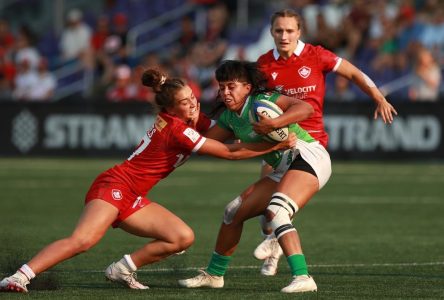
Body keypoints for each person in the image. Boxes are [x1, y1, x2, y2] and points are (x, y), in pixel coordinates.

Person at [0, 69, 295, 293]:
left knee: (181, 237)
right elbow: (228, 152)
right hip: (115, 185)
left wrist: (263, 121)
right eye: (185, 102)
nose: (193, 105)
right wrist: (274, 145)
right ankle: (20, 276)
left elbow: (230, 129)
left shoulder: (193, 121)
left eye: (193, 98)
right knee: (84, 240)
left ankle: (122, 269)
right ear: (170, 109)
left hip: (134, 194)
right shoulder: (177, 129)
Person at [252, 8, 398, 277]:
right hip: (278, 142)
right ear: (272, 33)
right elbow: (253, 104)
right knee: (265, 217)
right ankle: (272, 244)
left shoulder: (316, 55)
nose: (284, 36)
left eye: (289, 31)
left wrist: (378, 96)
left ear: (299, 32)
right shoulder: (262, 65)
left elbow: (354, 73)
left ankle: (283, 252)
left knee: (279, 207)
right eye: (278, 31)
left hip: (309, 144)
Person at [178, 60, 331, 293]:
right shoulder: (230, 118)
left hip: (308, 156)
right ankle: (214, 275)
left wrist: (274, 124)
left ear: (247, 87)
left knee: (277, 211)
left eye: (231, 86)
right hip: (283, 168)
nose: (225, 92)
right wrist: (189, 118)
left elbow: (306, 108)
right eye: (221, 87)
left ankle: (303, 277)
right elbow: (205, 143)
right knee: (232, 212)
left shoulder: (262, 102)